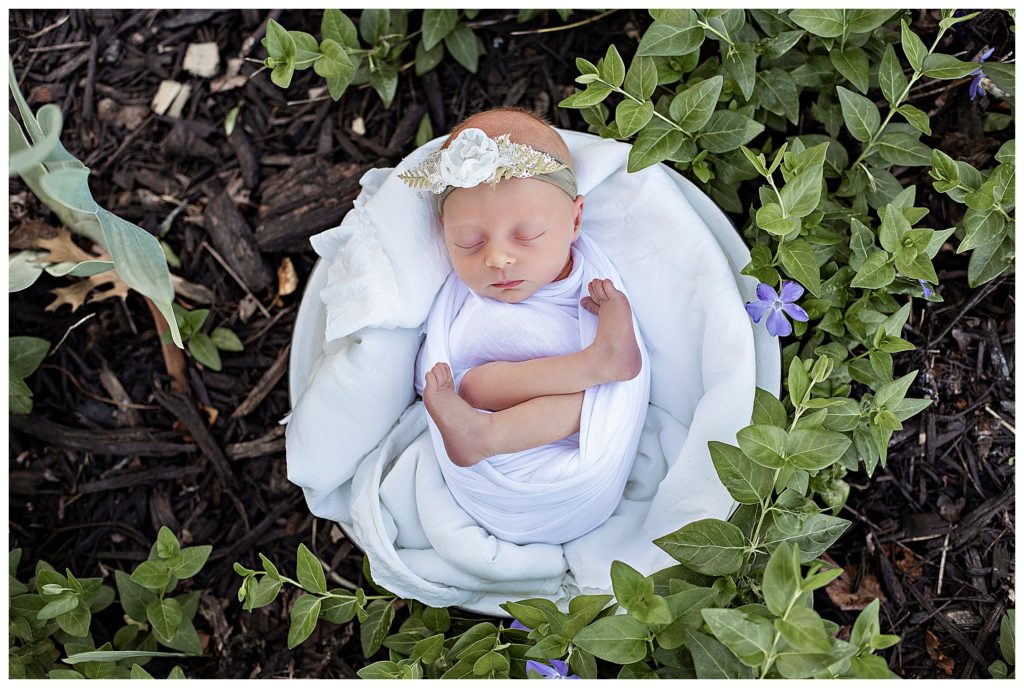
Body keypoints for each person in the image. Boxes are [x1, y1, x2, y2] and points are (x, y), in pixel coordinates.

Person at [400, 107, 650, 544]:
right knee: (471, 385)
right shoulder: (459, 298)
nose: (497, 259)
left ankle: (594, 365)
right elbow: (434, 369)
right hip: (491, 472)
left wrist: (611, 317)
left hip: (571, 454)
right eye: (468, 242)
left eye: (529, 234)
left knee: (589, 400)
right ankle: (487, 429)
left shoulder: (591, 284)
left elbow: (619, 400)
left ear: (575, 220)